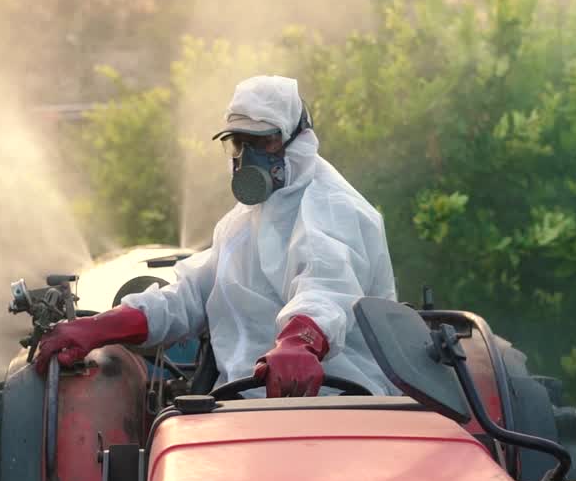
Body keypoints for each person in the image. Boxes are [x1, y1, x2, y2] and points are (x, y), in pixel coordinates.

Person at [34, 75, 398, 397]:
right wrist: (98, 328)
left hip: (339, 408)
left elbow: (327, 288)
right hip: (244, 411)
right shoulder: (240, 225)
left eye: (264, 142)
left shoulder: (333, 208)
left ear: (297, 141)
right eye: (239, 143)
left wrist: (299, 343)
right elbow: (188, 298)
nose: (248, 157)